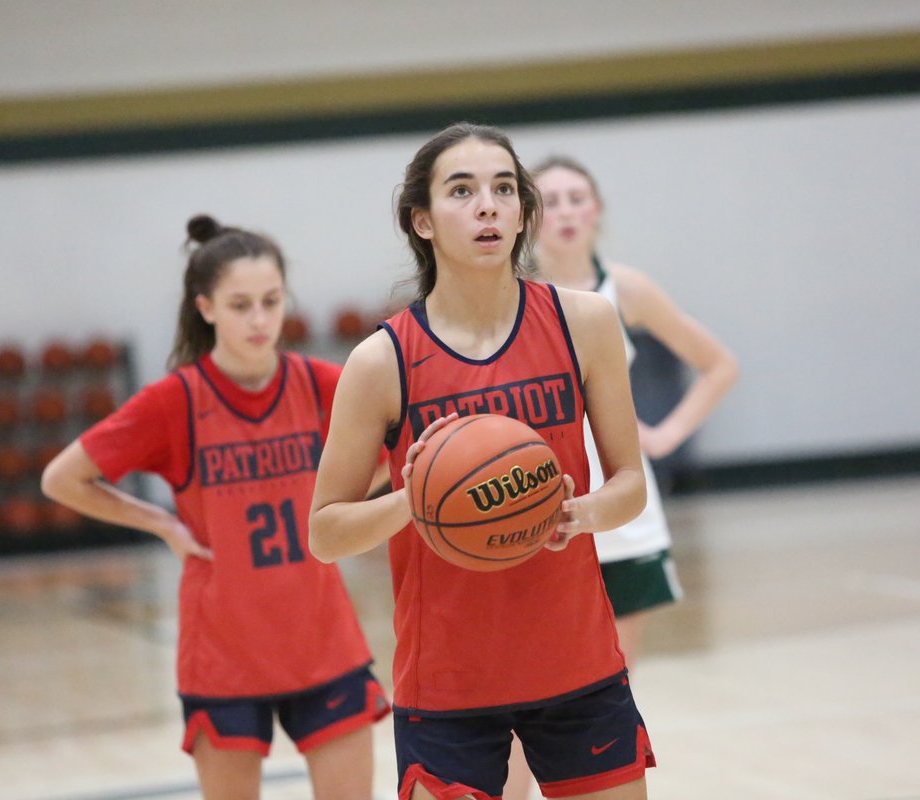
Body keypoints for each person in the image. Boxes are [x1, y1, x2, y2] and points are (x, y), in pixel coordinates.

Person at [309, 122, 655, 800]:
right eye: (461, 190)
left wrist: (579, 513)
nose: (487, 205)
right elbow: (325, 531)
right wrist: (415, 502)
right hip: (447, 682)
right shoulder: (382, 362)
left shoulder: (582, 322)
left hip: (576, 661)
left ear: (525, 211)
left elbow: (632, 485)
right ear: (423, 220)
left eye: (503, 188)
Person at [41, 215, 389, 800]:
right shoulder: (175, 402)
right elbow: (62, 478)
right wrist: (161, 524)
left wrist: (350, 495)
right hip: (224, 653)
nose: (259, 320)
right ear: (205, 308)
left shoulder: (324, 385)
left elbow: (401, 447)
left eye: (271, 302)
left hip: (323, 640)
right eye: (240, 305)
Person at [496, 156, 739, 800]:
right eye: (553, 199)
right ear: (530, 217)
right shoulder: (508, 293)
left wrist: (662, 435)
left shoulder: (623, 287)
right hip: (535, 512)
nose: (569, 210)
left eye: (579, 197)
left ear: (597, 210)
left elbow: (718, 364)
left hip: (622, 512)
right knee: (524, 693)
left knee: (607, 688)